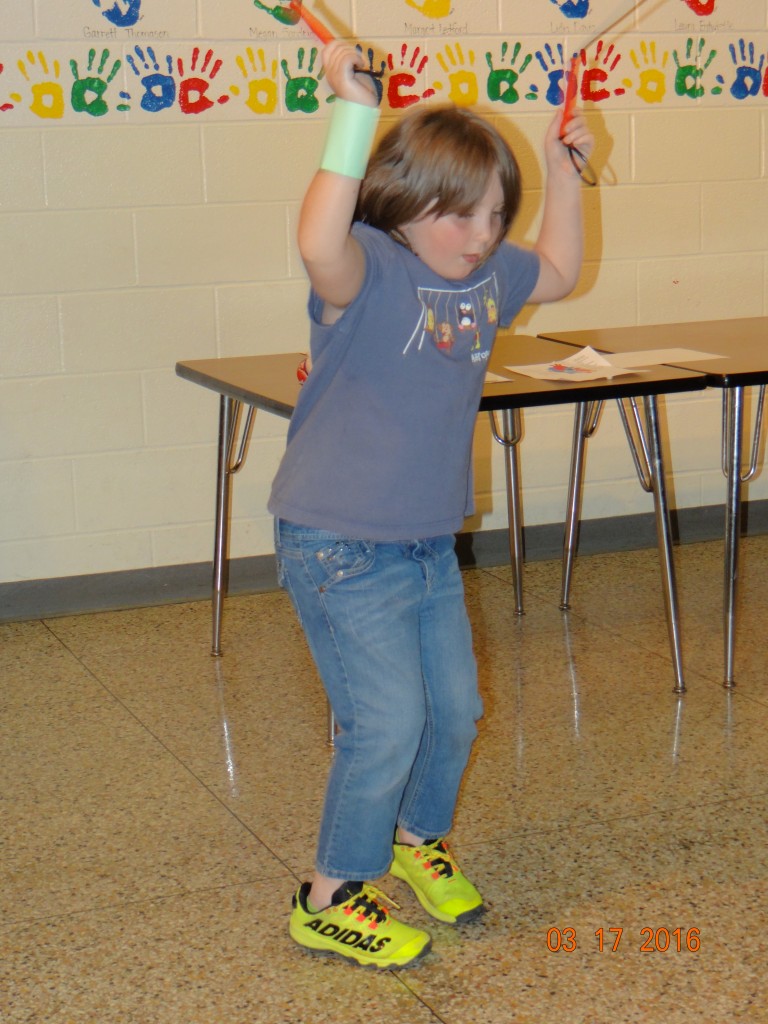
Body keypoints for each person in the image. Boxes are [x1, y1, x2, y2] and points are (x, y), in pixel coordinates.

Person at [268, 39, 594, 969]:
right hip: (337, 541)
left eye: (494, 214)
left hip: (422, 543)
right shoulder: (366, 267)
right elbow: (316, 240)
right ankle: (330, 894)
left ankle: (418, 839)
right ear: (403, 203)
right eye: (458, 215)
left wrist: (564, 170)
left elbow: (560, 270)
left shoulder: (486, 277)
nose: (480, 235)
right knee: (387, 724)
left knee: (454, 712)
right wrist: (353, 110)